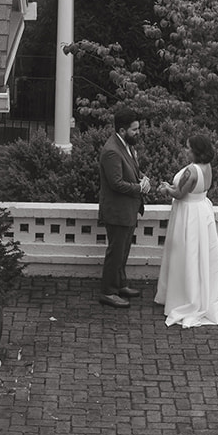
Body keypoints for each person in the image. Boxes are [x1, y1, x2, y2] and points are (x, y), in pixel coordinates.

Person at [155, 132, 218, 327]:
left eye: (188, 147)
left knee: (185, 254)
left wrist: (165, 189)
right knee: (201, 256)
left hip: (188, 214)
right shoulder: (207, 167)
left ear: (196, 150)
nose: (185, 150)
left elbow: (179, 194)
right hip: (202, 211)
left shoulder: (191, 170)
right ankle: (200, 293)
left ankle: (184, 297)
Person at [97, 105, 150, 308]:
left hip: (128, 210)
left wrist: (143, 179)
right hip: (117, 211)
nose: (138, 133)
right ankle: (108, 292)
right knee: (116, 252)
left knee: (124, 251)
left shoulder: (127, 146)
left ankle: (120, 285)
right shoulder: (111, 151)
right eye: (134, 129)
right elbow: (116, 183)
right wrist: (139, 188)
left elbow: (131, 172)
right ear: (122, 130)